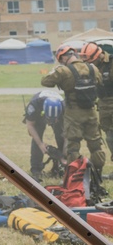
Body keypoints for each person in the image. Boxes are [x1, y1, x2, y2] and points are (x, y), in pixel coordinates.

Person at [41, 45, 106, 175]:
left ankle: (76, 175)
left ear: (64, 57)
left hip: (73, 113)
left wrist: (57, 70)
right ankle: (97, 173)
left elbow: (45, 82)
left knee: (73, 146)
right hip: (91, 112)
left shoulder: (63, 71)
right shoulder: (92, 68)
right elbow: (100, 82)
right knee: (95, 145)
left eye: (60, 60)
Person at [23, 90, 65, 181]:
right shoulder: (34, 106)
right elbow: (30, 125)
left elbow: (68, 134)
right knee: (37, 136)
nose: (50, 123)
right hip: (39, 113)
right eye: (49, 120)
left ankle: (63, 166)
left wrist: (64, 155)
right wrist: (40, 144)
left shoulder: (65, 108)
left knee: (61, 135)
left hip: (59, 115)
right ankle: (36, 169)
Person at [80, 41, 113, 155]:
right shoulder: (91, 67)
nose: (90, 64)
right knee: (109, 136)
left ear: (99, 55)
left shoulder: (111, 63)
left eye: (91, 61)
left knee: (111, 138)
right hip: (104, 106)